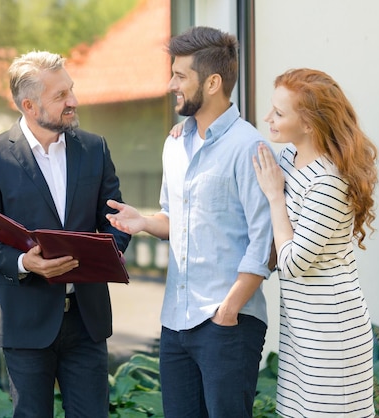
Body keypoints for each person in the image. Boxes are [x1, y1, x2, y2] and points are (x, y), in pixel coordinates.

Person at [106, 26, 274, 417]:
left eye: (180, 75)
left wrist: (227, 311)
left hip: (227, 324)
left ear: (212, 82)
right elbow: (175, 218)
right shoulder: (175, 144)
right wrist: (146, 222)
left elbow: (264, 243)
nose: (170, 85)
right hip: (176, 323)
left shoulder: (248, 146)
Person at [0, 50, 130, 417]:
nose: (73, 101)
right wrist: (25, 263)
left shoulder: (95, 149)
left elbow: (116, 221)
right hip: (26, 322)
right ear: (29, 105)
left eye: (70, 90)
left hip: (87, 320)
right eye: (60, 96)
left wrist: (103, 258)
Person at [252, 68, 377, 417]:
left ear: (308, 124)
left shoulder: (328, 182)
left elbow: (291, 263)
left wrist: (276, 197)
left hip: (331, 333)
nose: (268, 118)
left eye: (279, 113)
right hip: (300, 330)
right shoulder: (289, 159)